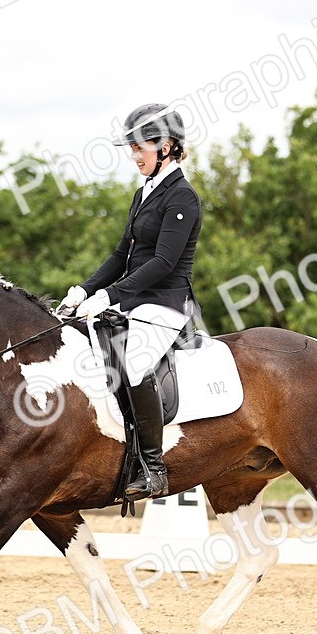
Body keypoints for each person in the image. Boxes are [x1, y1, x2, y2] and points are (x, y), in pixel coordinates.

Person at [60, 103, 202, 500]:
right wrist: (85, 289)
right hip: (133, 302)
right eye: (133, 147)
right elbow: (122, 255)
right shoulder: (144, 193)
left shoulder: (183, 198)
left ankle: (153, 467)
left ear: (168, 147)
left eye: (141, 147)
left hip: (164, 304)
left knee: (134, 363)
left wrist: (111, 294)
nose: (134, 155)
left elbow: (163, 262)